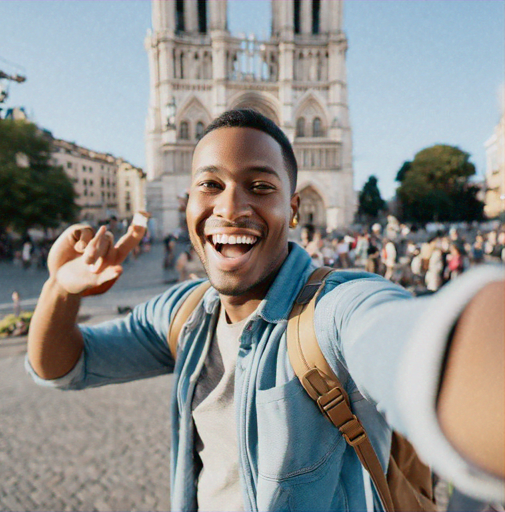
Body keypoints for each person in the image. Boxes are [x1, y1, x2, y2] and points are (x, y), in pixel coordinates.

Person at [27, 109, 504, 511]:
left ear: (294, 208)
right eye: (210, 184)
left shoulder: (334, 310)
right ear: (187, 201)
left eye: (260, 186)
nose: (231, 207)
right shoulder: (184, 313)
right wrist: (61, 290)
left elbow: (401, 340)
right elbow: (64, 367)